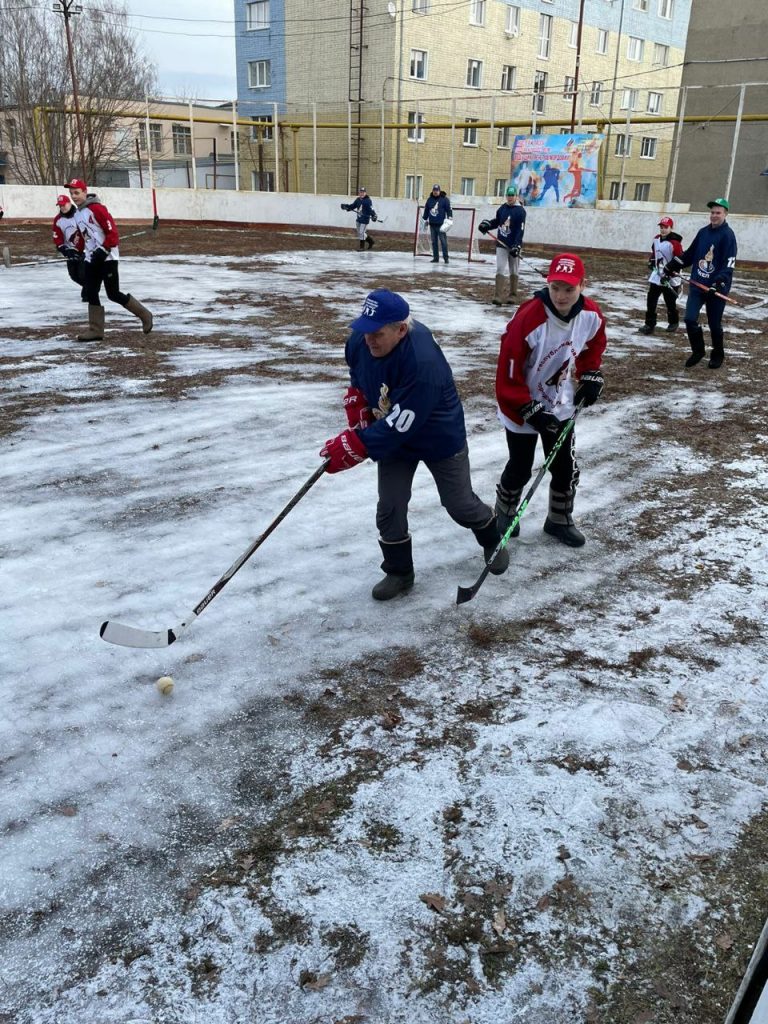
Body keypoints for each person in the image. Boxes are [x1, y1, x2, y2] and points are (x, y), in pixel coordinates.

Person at [319, 288, 509, 600]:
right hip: (393, 435)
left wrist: (357, 444)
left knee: (459, 504)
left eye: (378, 333)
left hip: (437, 435)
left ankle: (491, 536)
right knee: (390, 506)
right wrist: (358, 402)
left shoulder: (423, 364)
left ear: (401, 330)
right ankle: (399, 572)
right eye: (365, 331)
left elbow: (401, 424)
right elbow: (359, 376)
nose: (369, 340)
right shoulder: (359, 341)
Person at [494, 253, 607, 549]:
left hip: (559, 401)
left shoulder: (590, 315)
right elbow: (508, 373)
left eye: (569, 289)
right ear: (548, 284)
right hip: (522, 402)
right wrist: (528, 409)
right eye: (555, 287)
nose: (561, 295)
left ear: (582, 285)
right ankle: (504, 512)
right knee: (520, 465)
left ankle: (559, 518)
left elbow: (593, 346)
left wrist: (591, 374)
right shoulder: (529, 318)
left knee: (564, 466)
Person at [65, 178, 153, 342]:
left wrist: (104, 249)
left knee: (113, 293)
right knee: (91, 292)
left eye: (77, 193)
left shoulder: (97, 209)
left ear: (85, 192)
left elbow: (112, 233)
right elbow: (84, 237)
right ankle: (95, 330)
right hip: (92, 258)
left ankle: (144, 314)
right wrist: (76, 251)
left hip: (108, 258)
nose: (74, 196)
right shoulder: (78, 213)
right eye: (71, 193)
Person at [665, 197, 737, 369]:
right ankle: (698, 351)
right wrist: (673, 264)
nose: (714, 215)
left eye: (718, 213)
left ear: (725, 214)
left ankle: (718, 354)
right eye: (712, 212)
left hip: (716, 288)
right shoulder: (703, 232)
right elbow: (690, 254)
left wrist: (718, 283)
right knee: (690, 319)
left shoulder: (728, 236)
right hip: (698, 285)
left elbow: (729, 264)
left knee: (714, 324)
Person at [478, 185, 526, 307]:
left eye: (512, 195)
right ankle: (498, 295)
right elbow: (497, 221)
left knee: (513, 269)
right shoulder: (502, 209)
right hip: (501, 243)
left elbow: (520, 230)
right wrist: (487, 225)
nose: (510, 198)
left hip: (514, 245)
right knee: (500, 268)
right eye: (508, 195)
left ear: (516, 196)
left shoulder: (520, 211)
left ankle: (513, 295)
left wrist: (517, 246)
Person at [639, 216, 683, 335]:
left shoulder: (675, 243)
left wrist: (670, 274)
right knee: (651, 299)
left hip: (671, 277)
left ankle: (673, 322)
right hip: (658, 274)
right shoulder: (657, 239)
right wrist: (652, 261)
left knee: (670, 302)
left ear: (671, 228)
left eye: (666, 227)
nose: (663, 230)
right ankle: (649, 324)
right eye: (661, 227)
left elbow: (679, 260)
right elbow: (655, 253)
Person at [52, 194, 86, 299]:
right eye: (60, 205)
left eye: (64, 205)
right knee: (73, 275)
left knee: (82, 274)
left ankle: (89, 291)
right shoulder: (58, 219)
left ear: (70, 203)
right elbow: (57, 235)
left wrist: (78, 249)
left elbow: (84, 233)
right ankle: (89, 287)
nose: (62, 207)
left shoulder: (79, 215)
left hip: (84, 250)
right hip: (70, 251)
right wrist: (63, 248)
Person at [421, 184, 453, 263]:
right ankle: (436, 258)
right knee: (434, 242)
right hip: (432, 224)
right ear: (433, 191)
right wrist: (424, 219)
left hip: (441, 225)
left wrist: (450, 217)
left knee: (443, 242)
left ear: (439, 191)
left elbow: (449, 209)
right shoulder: (429, 200)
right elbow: (426, 210)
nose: (435, 192)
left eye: (437, 190)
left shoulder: (444, 199)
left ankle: (446, 258)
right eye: (434, 190)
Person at [341, 186, 377, 251]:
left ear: (365, 193)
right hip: (359, 219)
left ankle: (362, 247)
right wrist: (346, 206)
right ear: (359, 193)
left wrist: (374, 215)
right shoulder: (358, 200)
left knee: (361, 232)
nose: (362, 194)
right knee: (360, 233)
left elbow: (371, 209)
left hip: (365, 220)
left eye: (363, 192)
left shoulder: (368, 201)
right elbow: (352, 206)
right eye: (361, 192)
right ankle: (371, 241)